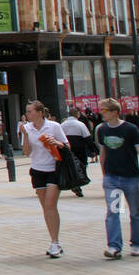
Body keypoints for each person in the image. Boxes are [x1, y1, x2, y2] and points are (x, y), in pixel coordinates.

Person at [95, 98, 139, 259]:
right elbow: (103, 151)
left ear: (115, 112)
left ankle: (136, 244)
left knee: (135, 213)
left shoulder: (130, 129)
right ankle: (114, 246)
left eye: (104, 110)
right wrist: (104, 175)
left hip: (130, 177)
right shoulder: (102, 129)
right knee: (113, 211)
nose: (101, 113)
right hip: (112, 178)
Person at [20, 99, 69, 258]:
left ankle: (55, 242)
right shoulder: (27, 128)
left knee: (50, 204)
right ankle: (54, 240)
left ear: (40, 113)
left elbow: (67, 146)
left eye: (30, 111)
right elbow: (27, 152)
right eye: (27, 112)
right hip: (37, 170)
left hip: (54, 169)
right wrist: (26, 135)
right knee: (46, 208)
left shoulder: (54, 126)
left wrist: (55, 142)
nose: (27, 114)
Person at [60, 111, 92, 197]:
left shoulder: (63, 125)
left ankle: (74, 184)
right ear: (77, 115)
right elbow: (87, 138)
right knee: (81, 166)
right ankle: (78, 183)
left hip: (67, 149)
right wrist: (93, 149)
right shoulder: (80, 124)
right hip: (80, 149)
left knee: (71, 167)